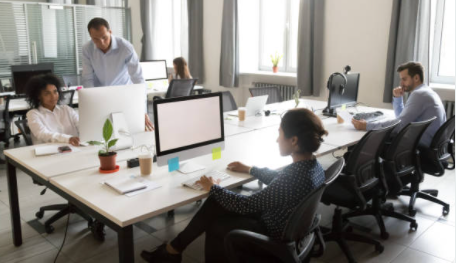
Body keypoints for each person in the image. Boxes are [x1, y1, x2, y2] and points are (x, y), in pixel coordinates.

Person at [141, 108, 327, 263]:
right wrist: (251, 169)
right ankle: (173, 249)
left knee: (217, 223)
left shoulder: (293, 178)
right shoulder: (312, 166)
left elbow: (246, 205)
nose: (277, 139)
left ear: (294, 140)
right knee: (217, 202)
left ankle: (172, 252)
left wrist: (213, 187)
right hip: (282, 222)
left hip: (271, 234)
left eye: (280, 133)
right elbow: (279, 178)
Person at [81, 17, 154, 131]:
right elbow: (87, 78)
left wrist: (142, 110)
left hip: (123, 94)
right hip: (101, 95)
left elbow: (138, 79)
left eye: (104, 37)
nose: (101, 42)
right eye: (96, 39)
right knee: (102, 132)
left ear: (110, 32)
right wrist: (92, 103)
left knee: (129, 130)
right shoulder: (87, 49)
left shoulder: (125, 47)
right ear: (90, 37)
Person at [352, 61, 446, 147]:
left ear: (416, 78)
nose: (401, 83)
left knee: (367, 144)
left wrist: (367, 126)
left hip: (420, 147)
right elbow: (402, 119)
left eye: (404, 79)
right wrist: (398, 98)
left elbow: (399, 125)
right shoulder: (426, 91)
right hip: (429, 145)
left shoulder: (419, 94)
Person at [25, 74, 80, 146]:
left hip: (73, 149)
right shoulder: (33, 114)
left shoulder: (66, 109)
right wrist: (68, 138)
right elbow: (42, 134)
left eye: (55, 91)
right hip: (48, 152)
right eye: (47, 93)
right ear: (38, 96)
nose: (53, 96)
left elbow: (80, 124)